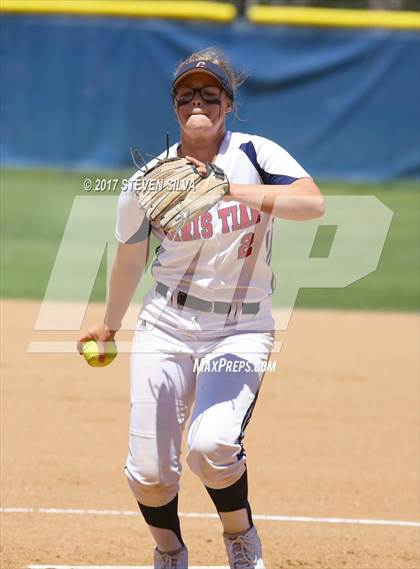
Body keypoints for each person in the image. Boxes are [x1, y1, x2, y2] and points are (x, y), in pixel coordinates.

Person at [78, 47, 324, 569]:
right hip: (166, 322)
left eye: (209, 94)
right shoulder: (150, 179)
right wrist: (109, 322)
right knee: (149, 471)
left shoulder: (257, 154)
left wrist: (229, 189)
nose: (198, 102)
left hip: (241, 327)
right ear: (174, 107)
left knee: (211, 447)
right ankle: (169, 551)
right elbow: (129, 257)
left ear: (227, 104)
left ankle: (240, 537)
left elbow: (312, 202)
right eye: (186, 94)